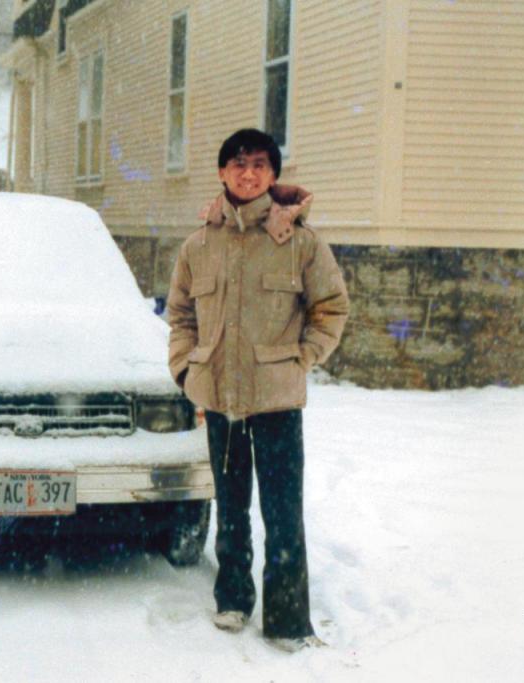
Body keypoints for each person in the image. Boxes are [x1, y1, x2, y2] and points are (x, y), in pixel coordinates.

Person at [167, 128, 349, 652]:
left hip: (276, 402)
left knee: (283, 511)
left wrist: (302, 358)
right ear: (222, 173)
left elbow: (330, 309)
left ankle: (289, 619)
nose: (249, 173)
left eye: (261, 165)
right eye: (239, 164)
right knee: (231, 506)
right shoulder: (198, 246)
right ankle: (232, 598)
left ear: (273, 176)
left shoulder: (301, 244)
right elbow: (180, 315)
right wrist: (186, 367)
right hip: (220, 398)